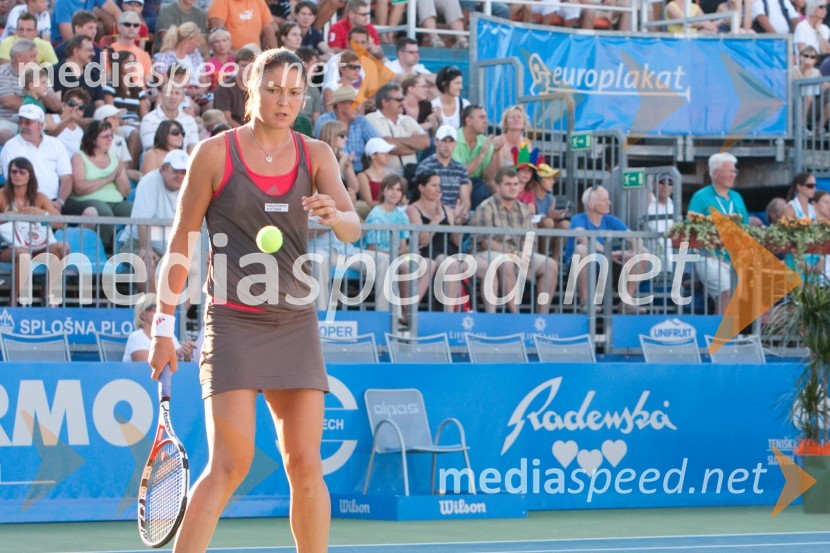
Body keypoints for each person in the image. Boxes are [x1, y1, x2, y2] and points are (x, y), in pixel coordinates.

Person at [147, 48, 359, 553]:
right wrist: (162, 326)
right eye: (273, 89)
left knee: (307, 465)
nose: (283, 101)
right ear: (251, 87)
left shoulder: (317, 155)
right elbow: (182, 242)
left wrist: (335, 214)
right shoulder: (214, 154)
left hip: (295, 323)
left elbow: (352, 228)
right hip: (234, 323)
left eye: (294, 92)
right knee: (229, 465)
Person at [470, 168, 559, 314]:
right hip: (486, 253)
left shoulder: (523, 209)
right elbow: (486, 241)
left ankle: (543, 316)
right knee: (507, 262)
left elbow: (530, 238)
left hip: (516, 253)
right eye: (508, 184)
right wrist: (513, 253)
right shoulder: (486, 207)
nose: (513, 188)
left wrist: (524, 252)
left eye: (515, 184)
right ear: (498, 186)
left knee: (551, 265)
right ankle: (515, 314)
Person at [119, 149, 198, 291]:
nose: (180, 176)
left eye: (184, 172)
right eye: (176, 171)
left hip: (175, 245)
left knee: (203, 264)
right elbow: (142, 222)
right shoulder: (149, 181)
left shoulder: (192, 186)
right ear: (163, 169)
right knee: (145, 260)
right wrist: (146, 248)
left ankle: (178, 313)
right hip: (139, 241)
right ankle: (154, 309)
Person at [565, 185, 647, 312]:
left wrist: (634, 252)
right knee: (582, 249)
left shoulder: (610, 220)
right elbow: (583, 237)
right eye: (604, 200)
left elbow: (636, 238)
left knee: (643, 253)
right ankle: (586, 302)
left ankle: (626, 301)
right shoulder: (578, 219)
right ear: (591, 204)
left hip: (606, 266)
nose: (609, 203)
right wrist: (608, 253)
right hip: (578, 269)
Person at [0, 157, 69, 305]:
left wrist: (42, 213)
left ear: (29, 175)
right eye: (14, 171)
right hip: (8, 247)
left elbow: (62, 224)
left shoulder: (39, 197)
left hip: (36, 244)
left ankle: (48, 291)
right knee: (23, 254)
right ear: (9, 174)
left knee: (63, 247)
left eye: (22, 172)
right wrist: (6, 217)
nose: (17, 175)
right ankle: (12, 302)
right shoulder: (1, 195)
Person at [686, 152, 749, 314]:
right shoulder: (700, 197)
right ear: (715, 173)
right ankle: (721, 337)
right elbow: (690, 228)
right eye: (728, 171)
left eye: (734, 171)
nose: (732, 175)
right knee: (725, 295)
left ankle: (723, 335)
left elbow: (746, 228)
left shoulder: (737, 197)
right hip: (709, 257)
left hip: (734, 259)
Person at [65, 120, 133, 246]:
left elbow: (126, 192)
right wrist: (108, 178)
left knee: (134, 211)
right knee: (104, 212)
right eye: (105, 136)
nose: (110, 139)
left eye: (111, 135)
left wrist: (117, 177)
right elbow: (79, 187)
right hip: (87, 200)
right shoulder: (79, 157)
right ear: (93, 139)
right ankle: (105, 249)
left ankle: (131, 246)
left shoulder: (116, 159)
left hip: (116, 201)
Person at [405, 170, 462, 313]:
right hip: (427, 250)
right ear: (421, 187)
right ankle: (448, 313)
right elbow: (422, 240)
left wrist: (458, 223)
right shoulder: (412, 210)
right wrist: (436, 219)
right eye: (433, 185)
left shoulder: (447, 209)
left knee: (484, 266)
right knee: (451, 264)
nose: (438, 189)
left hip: (448, 250)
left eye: (439, 186)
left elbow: (456, 241)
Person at [0, 105, 73, 210]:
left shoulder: (56, 144)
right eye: (20, 122)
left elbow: (66, 177)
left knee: (90, 212)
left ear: (41, 125)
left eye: (28, 122)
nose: (23, 126)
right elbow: (13, 180)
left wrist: (60, 202)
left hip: (56, 201)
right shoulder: (11, 146)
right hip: (26, 204)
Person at [365, 82, 430, 178]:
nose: (403, 103)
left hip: (411, 175)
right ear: (385, 102)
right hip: (387, 179)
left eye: (403, 99)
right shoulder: (371, 118)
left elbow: (425, 141)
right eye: (399, 100)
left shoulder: (407, 119)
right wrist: (413, 147)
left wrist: (395, 142)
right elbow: (387, 145)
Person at [313, 86, 379, 173]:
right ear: (340, 106)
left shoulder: (361, 120)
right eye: (354, 104)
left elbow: (378, 144)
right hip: (332, 171)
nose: (358, 108)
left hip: (358, 173)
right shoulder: (325, 121)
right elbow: (321, 150)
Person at [415, 125, 472, 223]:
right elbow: (424, 197)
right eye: (444, 141)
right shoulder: (425, 166)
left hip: (455, 214)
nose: (447, 145)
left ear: (455, 144)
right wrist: (450, 213)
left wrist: (462, 212)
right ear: (436, 142)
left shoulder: (461, 168)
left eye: (451, 141)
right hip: (433, 214)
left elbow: (465, 199)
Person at [452, 104, 501, 208]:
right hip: (453, 183)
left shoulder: (484, 142)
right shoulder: (453, 139)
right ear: (469, 121)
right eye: (481, 117)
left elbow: (489, 177)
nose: (486, 122)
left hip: (477, 184)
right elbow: (461, 173)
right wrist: (482, 155)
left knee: (492, 188)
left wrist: (495, 152)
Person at [124, 293, 194, 361]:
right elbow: (148, 365)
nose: (160, 311)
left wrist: (186, 354)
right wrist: (176, 355)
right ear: (143, 314)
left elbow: (178, 361)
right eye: (155, 307)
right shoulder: (136, 337)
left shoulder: (169, 335)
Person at [140, 80, 200, 151]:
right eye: (169, 93)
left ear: (183, 98)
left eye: (177, 93)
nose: (173, 97)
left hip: (183, 161)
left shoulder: (190, 121)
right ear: (161, 96)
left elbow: (193, 149)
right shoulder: (148, 120)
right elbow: (151, 149)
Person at [207, 0, 277, 50]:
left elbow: (268, 27)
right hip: (231, 57)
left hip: (255, 54)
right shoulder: (219, 2)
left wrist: (274, 54)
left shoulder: (258, 1)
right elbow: (218, 33)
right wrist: (231, 54)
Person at [214, 45, 256, 127]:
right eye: (244, 65)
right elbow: (226, 119)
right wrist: (247, 134)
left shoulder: (259, 89)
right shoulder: (224, 88)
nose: (248, 69)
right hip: (234, 132)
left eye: (251, 66)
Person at [319, 120, 358, 206]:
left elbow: (354, 188)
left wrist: (348, 166)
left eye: (346, 135)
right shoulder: (321, 156)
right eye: (342, 135)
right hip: (325, 202)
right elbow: (331, 184)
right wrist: (343, 161)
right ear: (330, 136)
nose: (346, 138)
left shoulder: (343, 156)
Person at [110, 11, 154, 86]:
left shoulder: (144, 55)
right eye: (127, 24)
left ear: (139, 28)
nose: (132, 28)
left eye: (136, 25)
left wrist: (153, 93)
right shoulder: (109, 51)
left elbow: (149, 81)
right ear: (119, 27)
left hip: (141, 94)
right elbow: (107, 79)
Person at [356, 137, 395, 218]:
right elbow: (368, 202)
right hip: (373, 215)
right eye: (383, 152)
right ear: (373, 155)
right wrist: (390, 205)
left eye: (387, 152)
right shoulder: (363, 176)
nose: (387, 155)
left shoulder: (391, 175)